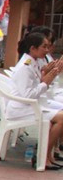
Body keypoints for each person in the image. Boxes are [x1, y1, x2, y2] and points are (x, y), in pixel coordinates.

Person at [8, 32, 63, 169]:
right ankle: (41, 156)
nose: (47, 50)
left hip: (30, 105)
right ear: (33, 48)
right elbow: (28, 95)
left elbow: (35, 86)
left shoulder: (33, 62)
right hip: (21, 108)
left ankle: (47, 155)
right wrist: (45, 83)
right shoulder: (25, 67)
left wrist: (47, 75)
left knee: (56, 118)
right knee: (61, 118)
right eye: (44, 46)